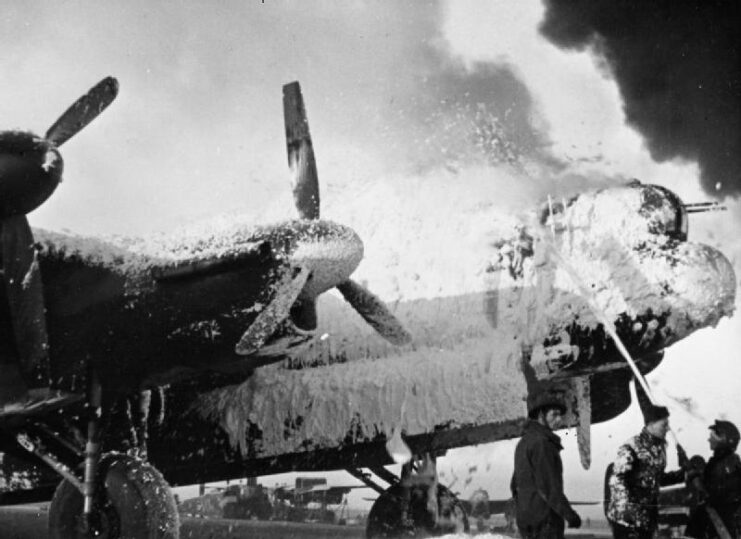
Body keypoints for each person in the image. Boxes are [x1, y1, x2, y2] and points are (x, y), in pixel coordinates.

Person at [605, 403, 685, 538]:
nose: (667, 429)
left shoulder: (659, 449)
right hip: (627, 520)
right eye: (664, 425)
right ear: (651, 424)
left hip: (646, 519)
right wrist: (631, 511)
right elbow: (617, 480)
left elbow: (654, 479)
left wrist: (681, 475)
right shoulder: (632, 446)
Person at [510, 389, 581, 538]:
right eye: (554, 414)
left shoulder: (523, 443)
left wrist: (524, 509)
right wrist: (570, 515)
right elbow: (548, 486)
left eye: (560, 415)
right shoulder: (543, 444)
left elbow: (514, 484)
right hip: (545, 521)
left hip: (526, 520)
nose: (559, 420)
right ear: (541, 416)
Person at [684, 419, 741, 538]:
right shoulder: (724, 462)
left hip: (720, 529)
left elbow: (711, 495)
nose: (709, 439)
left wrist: (694, 476)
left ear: (723, 439)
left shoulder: (726, 465)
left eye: (712, 436)